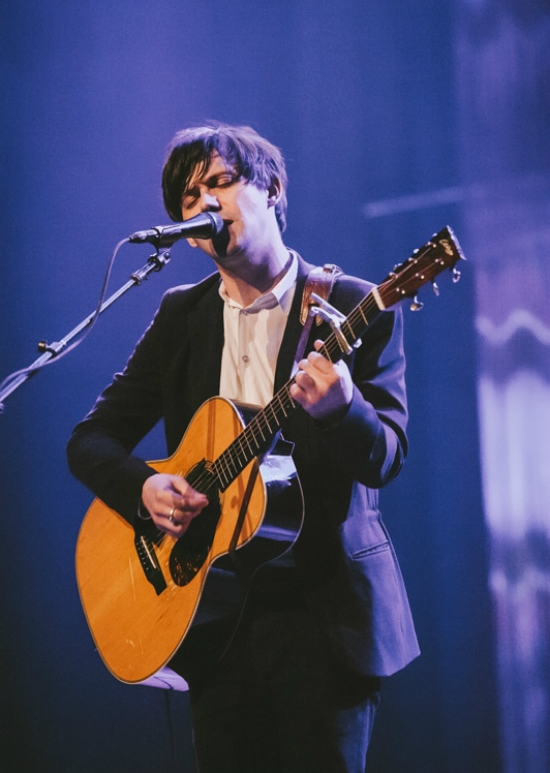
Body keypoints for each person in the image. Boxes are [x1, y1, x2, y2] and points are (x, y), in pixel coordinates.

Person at [67, 122, 419, 773]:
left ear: (271, 188)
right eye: (187, 193)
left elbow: (388, 455)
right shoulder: (182, 314)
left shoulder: (353, 305)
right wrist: (144, 489)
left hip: (324, 622)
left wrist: (343, 407)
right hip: (213, 624)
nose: (202, 201)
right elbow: (89, 440)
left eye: (219, 181)